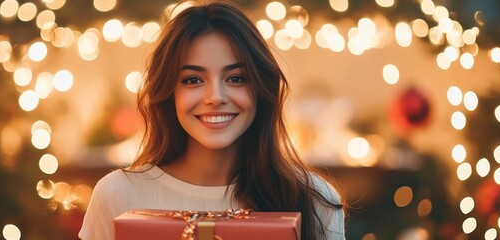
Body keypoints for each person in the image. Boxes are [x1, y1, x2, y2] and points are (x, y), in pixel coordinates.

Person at [79, 1, 345, 239]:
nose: (215, 97)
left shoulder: (314, 199)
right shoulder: (117, 196)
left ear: (261, 89)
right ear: (169, 92)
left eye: (236, 78)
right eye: (192, 80)